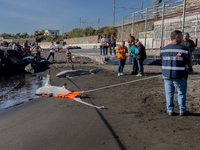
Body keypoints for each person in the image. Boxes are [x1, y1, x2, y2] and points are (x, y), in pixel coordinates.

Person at [160, 30, 193, 116]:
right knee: (181, 93)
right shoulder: (185, 49)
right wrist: (190, 69)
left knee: (169, 93)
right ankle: (182, 110)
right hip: (179, 75)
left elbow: (162, 61)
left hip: (166, 75)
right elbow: (189, 61)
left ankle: (170, 110)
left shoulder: (163, 50)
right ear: (177, 37)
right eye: (181, 36)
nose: (182, 38)